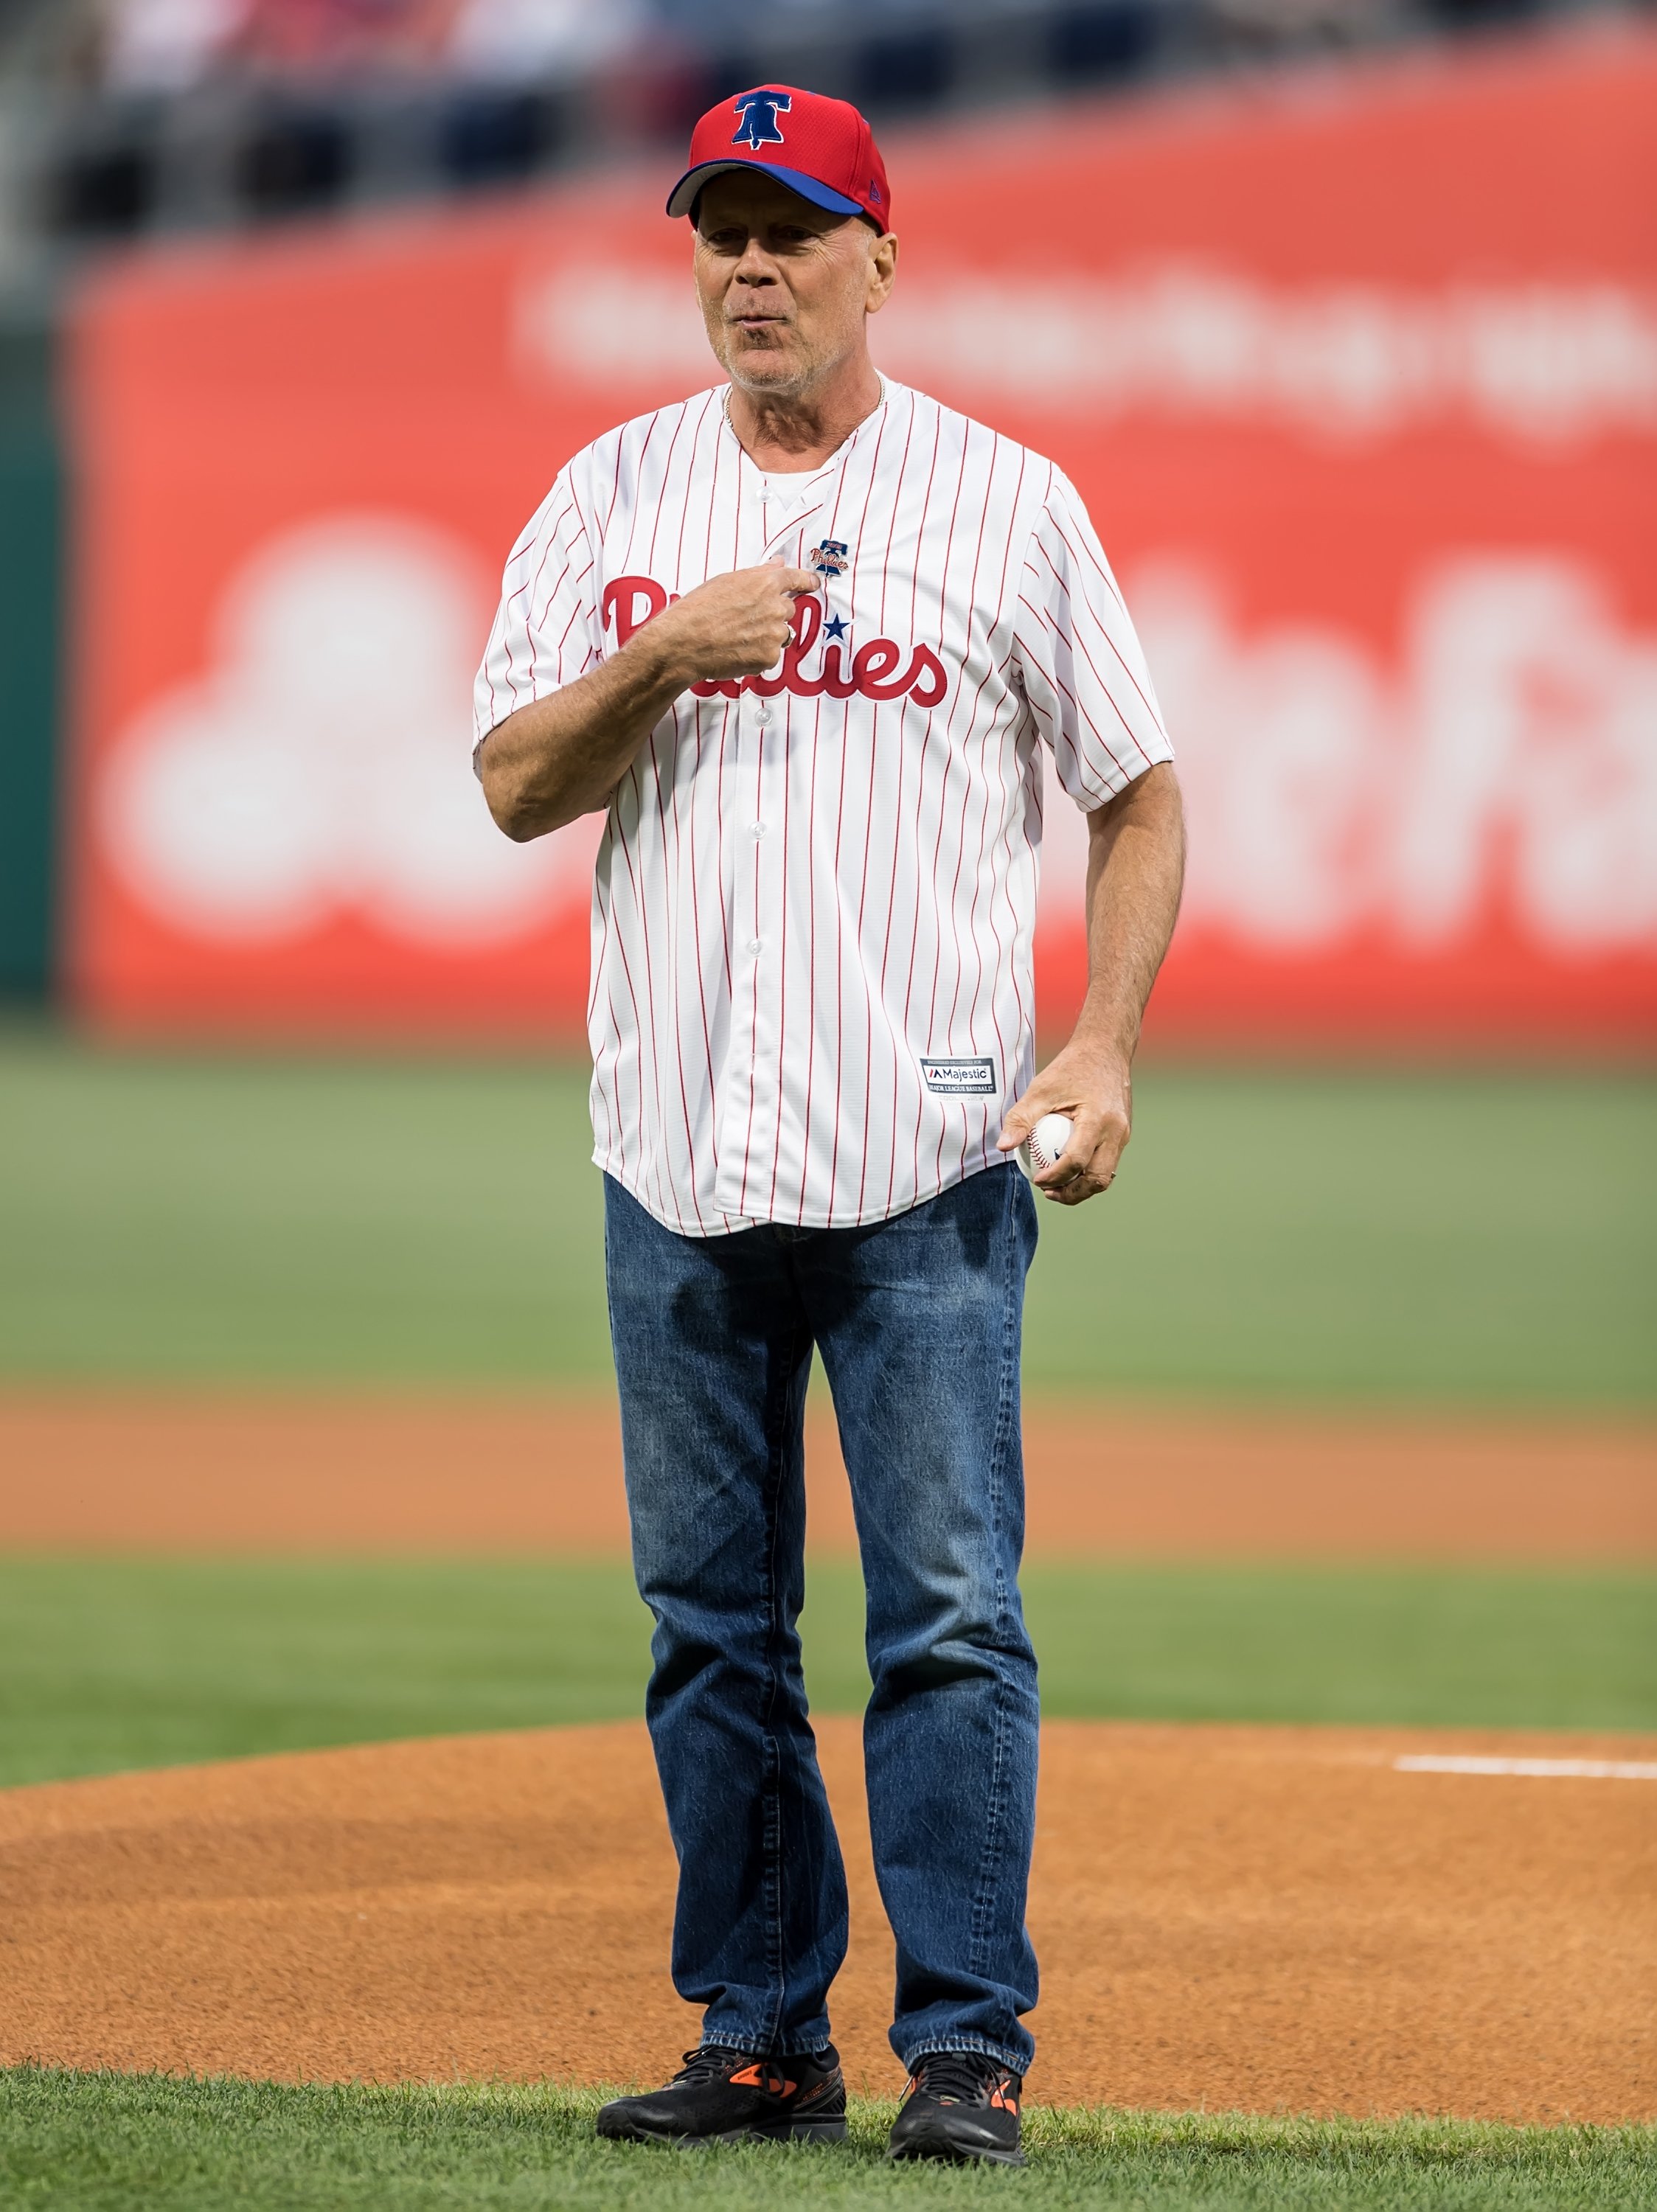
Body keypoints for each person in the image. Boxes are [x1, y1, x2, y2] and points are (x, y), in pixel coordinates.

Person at [473, 83, 1186, 2168]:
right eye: (723, 230)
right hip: (675, 1153)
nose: (754, 267)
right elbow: (516, 781)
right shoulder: (610, 498)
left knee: (948, 1618)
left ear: (885, 257)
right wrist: (666, 655)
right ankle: (762, 2034)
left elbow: (1138, 790)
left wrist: (1105, 1043)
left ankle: (965, 2052)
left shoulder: (1006, 502)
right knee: (710, 1629)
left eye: (797, 230)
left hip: (930, 1169)